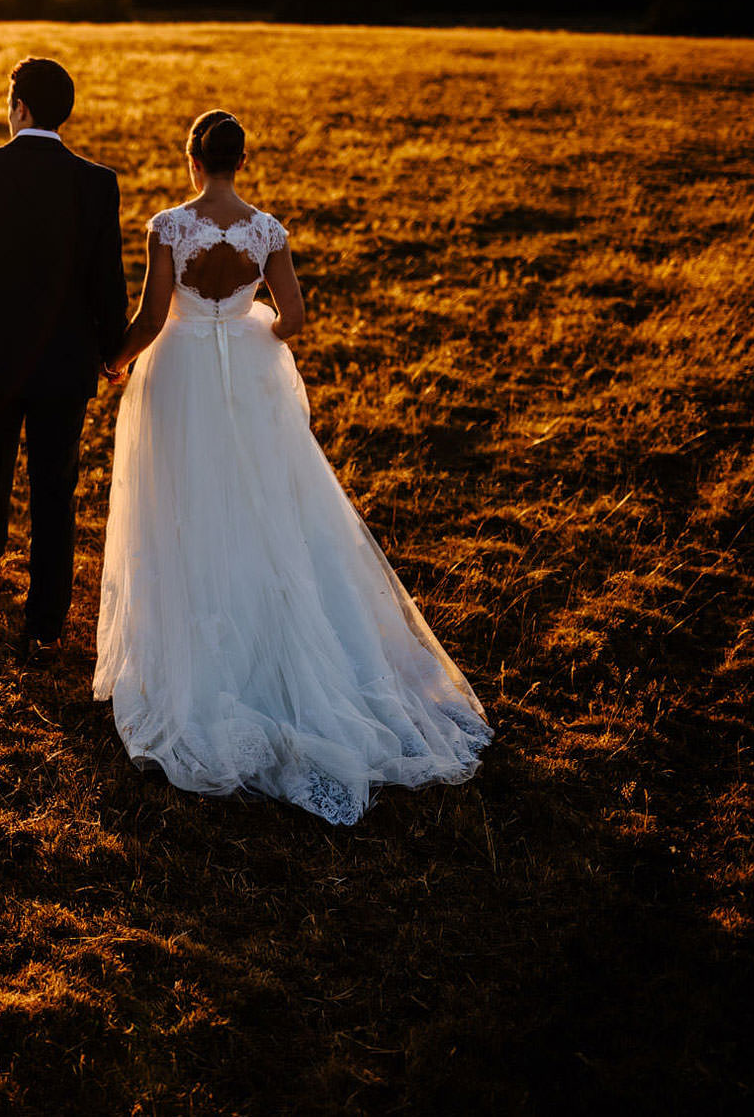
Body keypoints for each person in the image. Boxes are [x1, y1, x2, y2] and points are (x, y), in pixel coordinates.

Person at [93, 110, 490, 824]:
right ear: (240, 161)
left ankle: (192, 636)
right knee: (261, 500)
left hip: (179, 371)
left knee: (182, 500)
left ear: (192, 160)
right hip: (245, 372)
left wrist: (117, 361)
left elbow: (153, 318)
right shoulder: (266, 230)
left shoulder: (169, 226)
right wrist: (255, 336)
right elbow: (296, 315)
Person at [0, 57, 128, 666]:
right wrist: (112, 352)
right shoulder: (96, 182)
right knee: (54, 487)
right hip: (67, 363)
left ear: (19, 106)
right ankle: (46, 621)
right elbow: (108, 282)